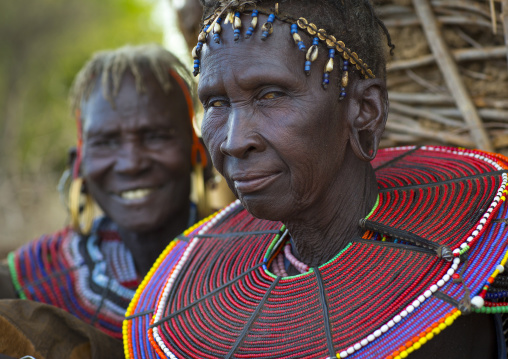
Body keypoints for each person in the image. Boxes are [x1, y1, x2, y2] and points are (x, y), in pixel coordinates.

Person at [123, 1, 508, 358]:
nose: (235, 141)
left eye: (270, 95)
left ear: (364, 109)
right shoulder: (205, 294)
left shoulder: (448, 297)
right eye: (217, 104)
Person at [0, 43, 208, 340]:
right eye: (107, 141)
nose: (131, 164)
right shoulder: (30, 281)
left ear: (200, 150)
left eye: (155, 136)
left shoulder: (256, 263)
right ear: (78, 166)